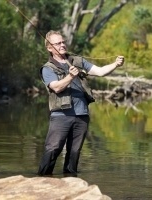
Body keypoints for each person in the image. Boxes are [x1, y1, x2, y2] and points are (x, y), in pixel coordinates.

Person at [37, 30, 124, 176]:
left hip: (82, 115)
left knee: (74, 152)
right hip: (61, 115)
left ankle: (71, 182)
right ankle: (42, 179)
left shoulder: (77, 61)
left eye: (63, 42)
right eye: (58, 43)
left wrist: (115, 64)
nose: (62, 45)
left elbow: (100, 71)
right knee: (53, 149)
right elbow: (56, 87)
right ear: (49, 47)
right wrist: (70, 76)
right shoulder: (47, 68)